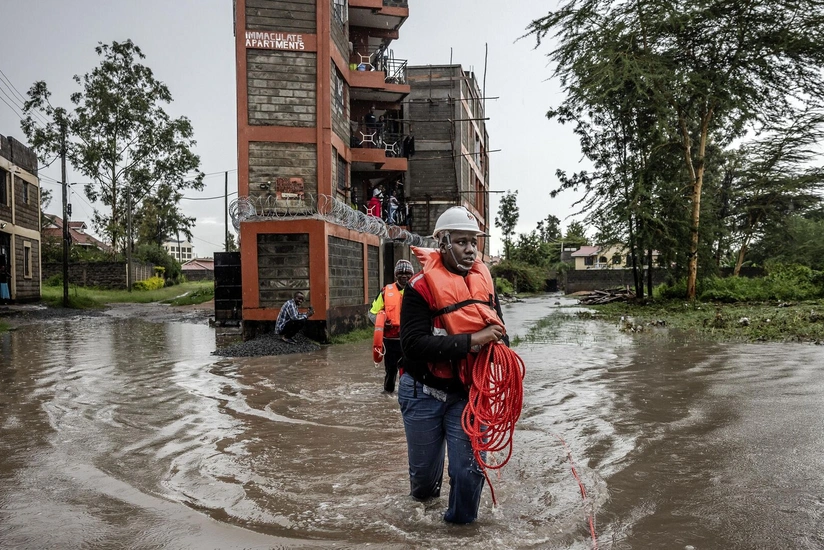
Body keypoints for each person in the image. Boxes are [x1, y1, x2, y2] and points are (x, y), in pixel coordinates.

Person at [398, 206, 508, 524]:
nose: (470, 249)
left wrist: (499, 344)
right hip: (423, 391)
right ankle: (423, 519)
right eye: (462, 241)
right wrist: (473, 341)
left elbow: (499, 332)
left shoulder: (483, 285)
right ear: (442, 243)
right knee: (423, 485)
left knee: (469, 471)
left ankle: (460, 532)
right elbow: (413, 346)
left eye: (473, 242)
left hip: (468, 394)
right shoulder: (419, 288)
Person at [369, 259, 414, 394]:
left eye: (407, 273)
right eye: (401, 273)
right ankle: (388, 395)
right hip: (390, 341)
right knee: (391, 370)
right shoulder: (385, 292)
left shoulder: (417, 292)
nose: (404, 276)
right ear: (396, 275)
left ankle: (406, 395)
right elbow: (372, 313)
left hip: (410, 340)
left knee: (409, 371)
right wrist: (382, 323)